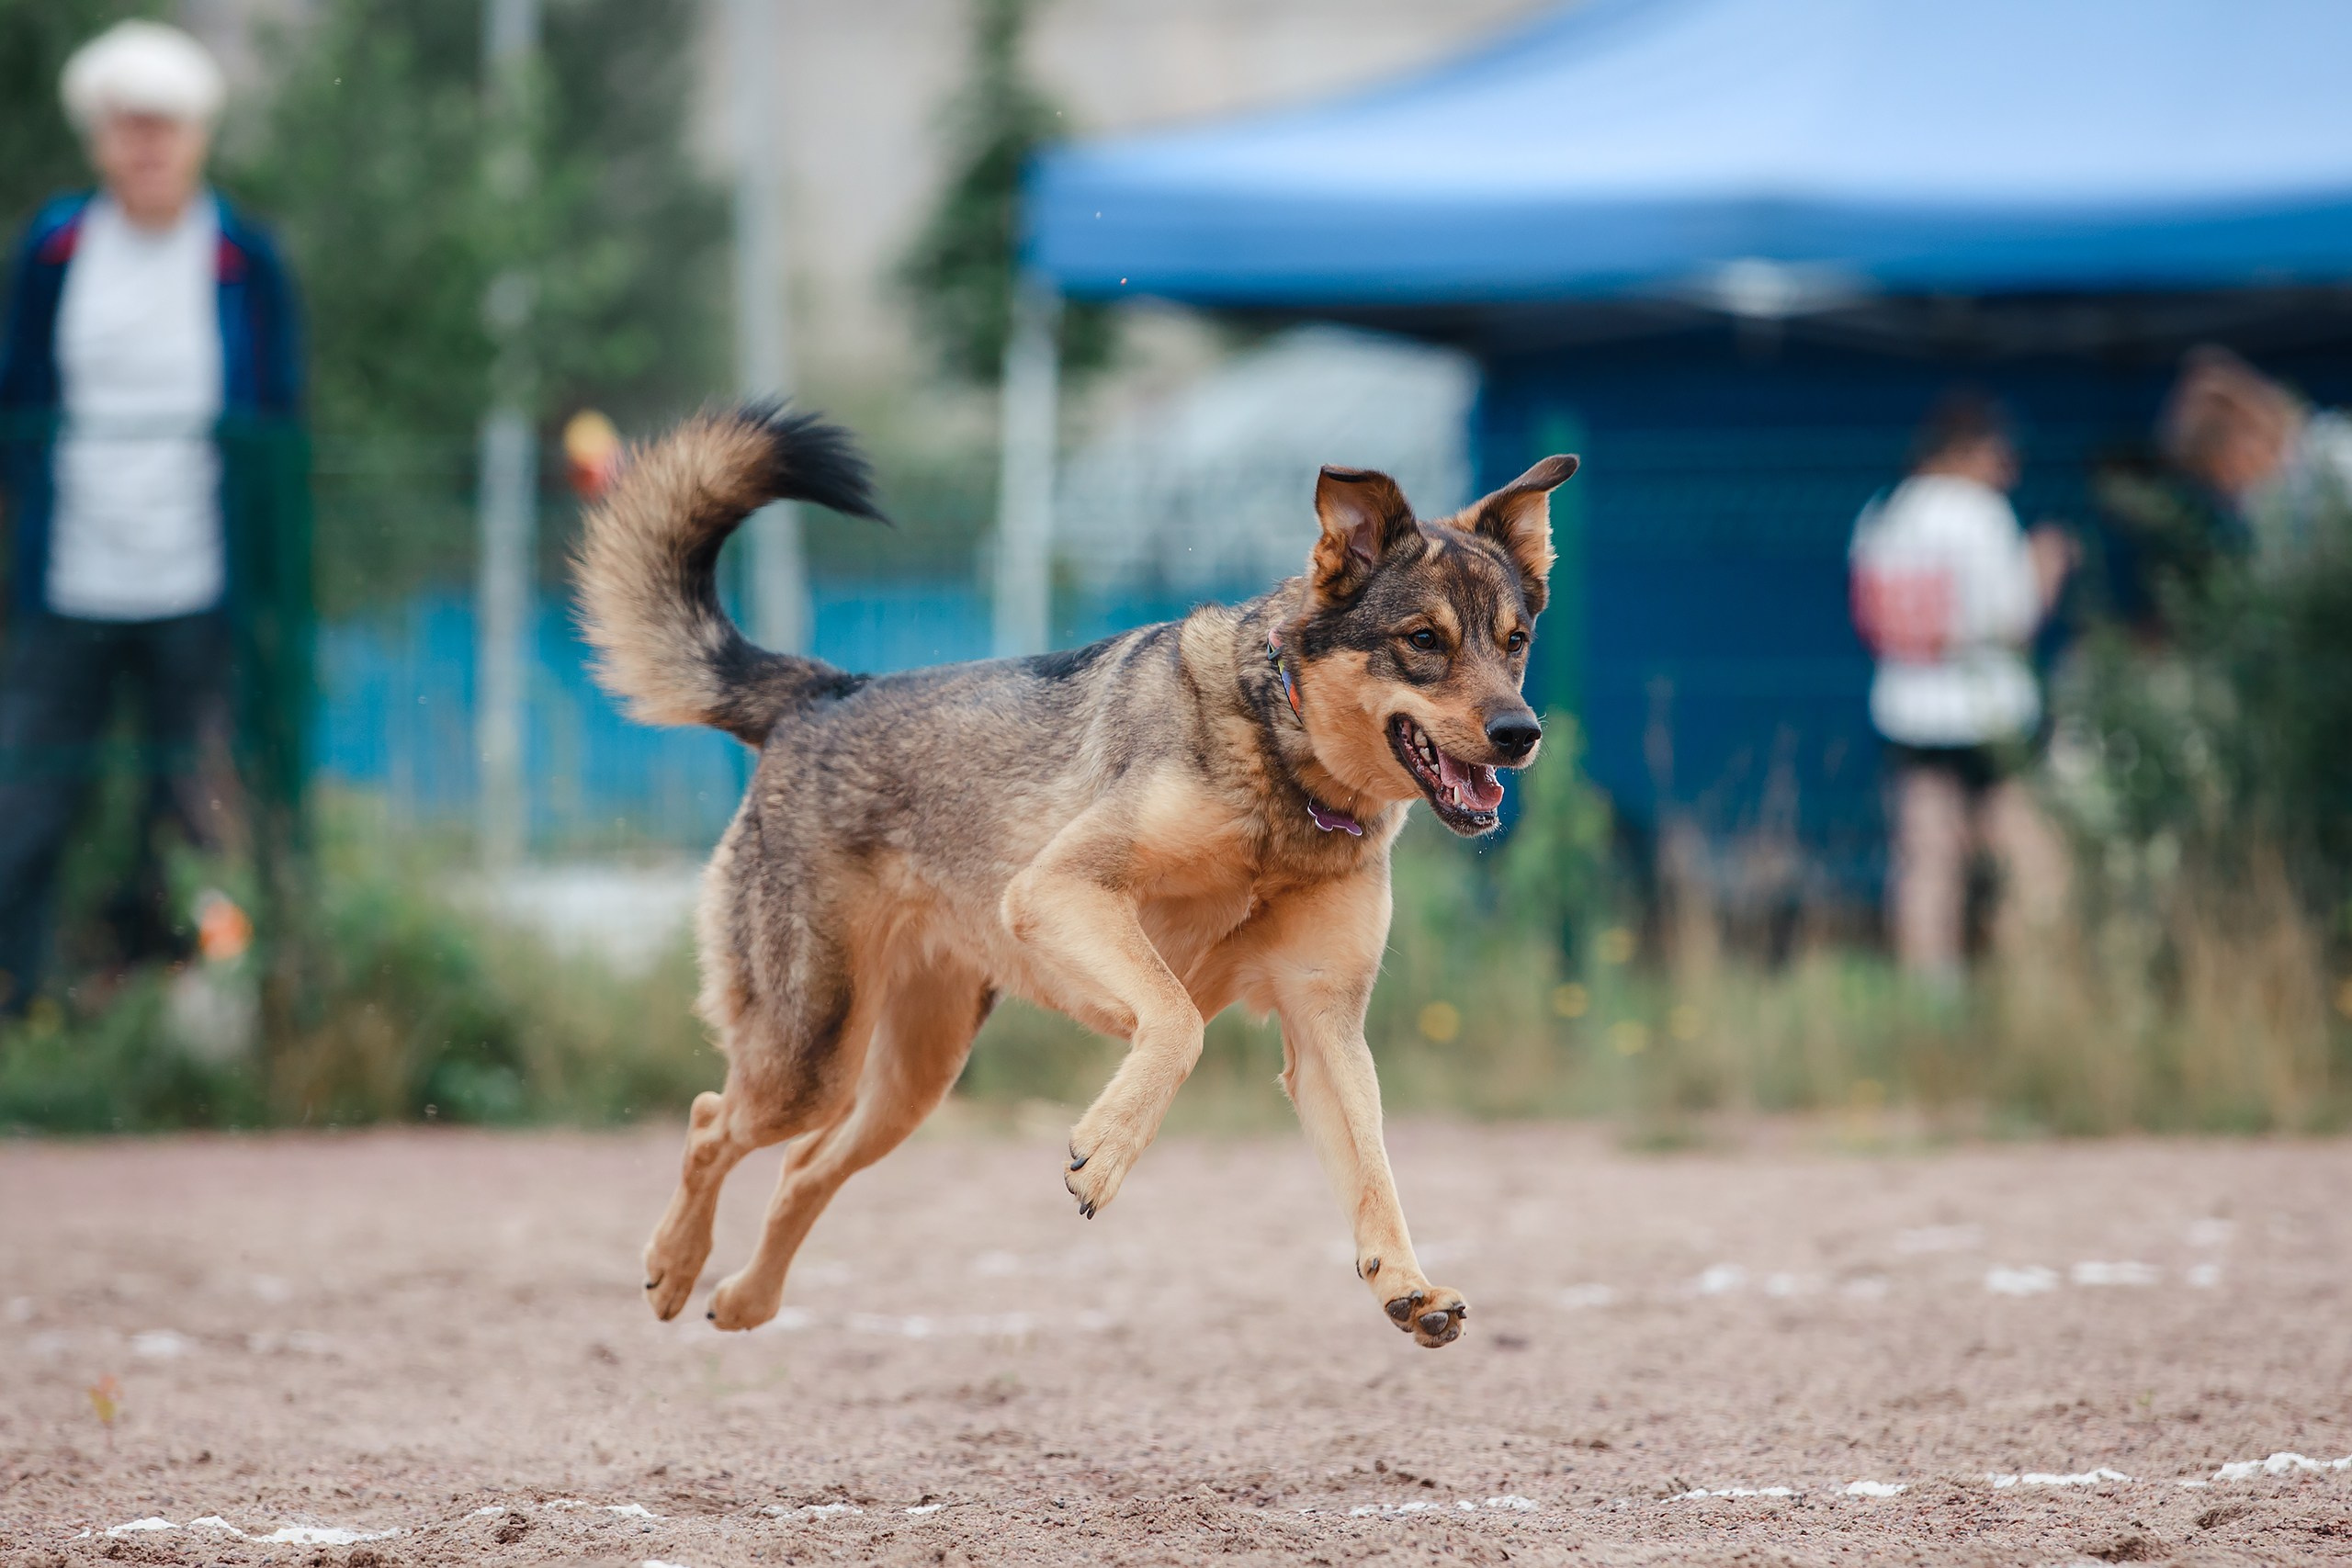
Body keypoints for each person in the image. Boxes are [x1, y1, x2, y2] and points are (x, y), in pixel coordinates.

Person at [0, 21, 302, 1019]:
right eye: (128, 128)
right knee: (32, 797)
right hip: (70, 576)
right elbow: (18, 397)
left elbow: (278, 421)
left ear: (197, 139)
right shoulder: (55, 249)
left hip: (198, 581)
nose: (147, 148)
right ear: (99, 140)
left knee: (191, 805)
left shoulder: (240, 258)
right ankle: (23, 1007)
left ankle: (192, 1012)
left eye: (164, 128)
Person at [1849, 393, 2074, 986]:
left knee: (1927, 863)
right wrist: (2045, 569)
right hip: (1987, 711)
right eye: (2001, 455)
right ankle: (2034, 983)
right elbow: (2011, 620)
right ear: (1966, 452)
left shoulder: (1884, 513)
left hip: (1909, 708)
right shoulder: (1979, 512)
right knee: (2032, 858)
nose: (2009, 471)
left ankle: (1932, 992)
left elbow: (1871, 616)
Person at [2160, 344, 2352, 573]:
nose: (2227, 495)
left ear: (2241, 440)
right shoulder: (2280, 500)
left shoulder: (2338, 457)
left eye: (2220, 476)